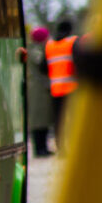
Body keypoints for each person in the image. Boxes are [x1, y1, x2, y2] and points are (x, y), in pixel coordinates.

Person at [44, 20, 79, 146]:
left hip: (56, 88)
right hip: (72, 87)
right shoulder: (72, 42)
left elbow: (43, 66)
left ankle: (60, 145)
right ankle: (75, 145)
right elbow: (79, 62)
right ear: (70, 30)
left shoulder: (49, 45)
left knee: (58, 119)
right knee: (74, 118)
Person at [28, 25, 55, 155]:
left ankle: (43, 147)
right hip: (38, 90)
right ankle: (39, 149)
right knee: (38, 120)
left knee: (43, 120)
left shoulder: (36, 49)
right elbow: (41, 63)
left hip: (41, 89)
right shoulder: (36, 50)